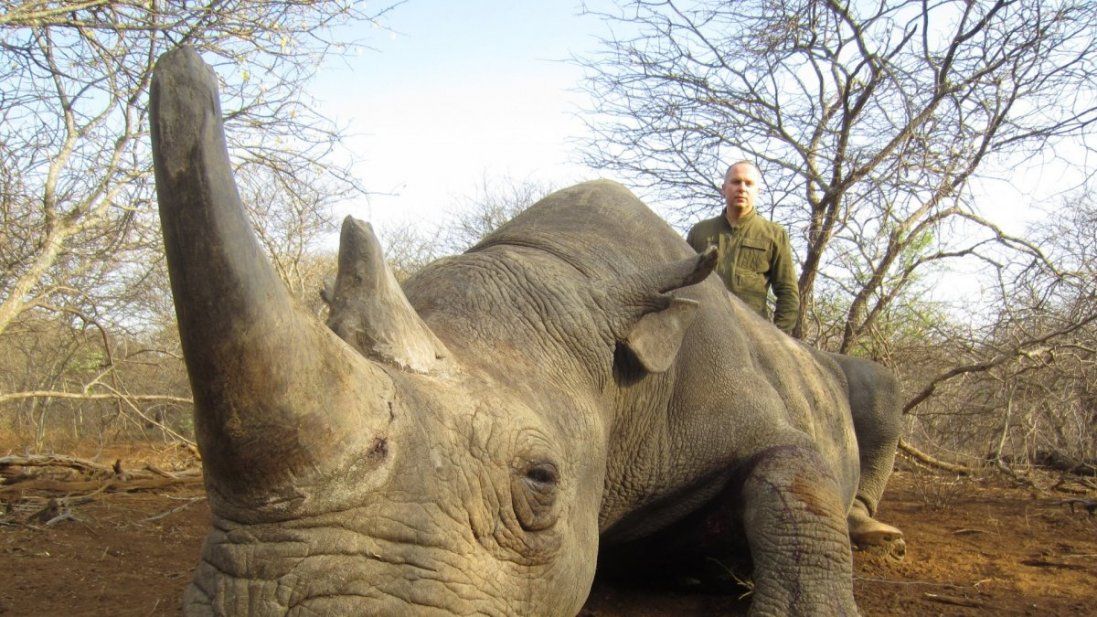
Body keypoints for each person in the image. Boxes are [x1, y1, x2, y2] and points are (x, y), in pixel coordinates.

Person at [686, 161, 800, 335]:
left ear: (757, 191)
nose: (742, 188)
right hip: (702, 331)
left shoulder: (774, 234)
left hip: (752, 337)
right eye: (736, 182)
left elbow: (788, 293)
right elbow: (683, 282)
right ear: (724, 188)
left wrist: (777, 338)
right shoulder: (699, 232)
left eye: (749, 183)